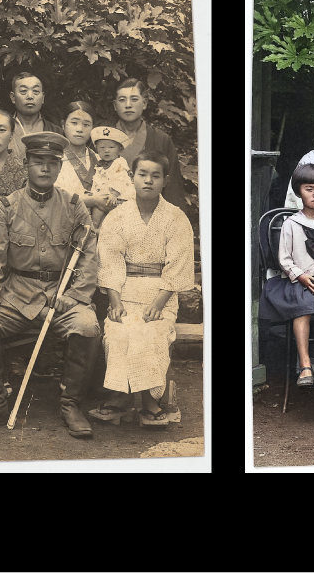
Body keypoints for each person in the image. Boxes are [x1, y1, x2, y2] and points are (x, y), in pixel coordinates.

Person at [0, 131, 100, 436]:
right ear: (26, 164)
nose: (44, 168)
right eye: (38, 162)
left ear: (59, 168)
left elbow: (88, 256)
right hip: (17, 293)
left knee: (87, 326)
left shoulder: (73, 205)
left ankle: (71, 404)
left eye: (51, 163)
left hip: (61, 293)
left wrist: (76, 295)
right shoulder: (7, 206)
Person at [93, 150, 197, 426]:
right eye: (142, 174)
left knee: (150, 331)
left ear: (165, 180)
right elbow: (110, 262)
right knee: (118, 330)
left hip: (160, 294)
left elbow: (178, 266)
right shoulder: (117, 217)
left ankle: (150, 400)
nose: (148, 181)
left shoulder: (176, 218)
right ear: (132, 177)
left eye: (155, 176)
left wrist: (159, 303)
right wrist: (115, 302)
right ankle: (120, 397)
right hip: (124, 291)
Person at [258, 164, 314, 393]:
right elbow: (284, 259)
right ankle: (305, 365)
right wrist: (302, 276)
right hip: (299, 281)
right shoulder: (291, 224)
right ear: (299, 192)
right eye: (309, 189)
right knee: (302, 307)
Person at [103, 78, 187, 209]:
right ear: (115, 105)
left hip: (151, 214)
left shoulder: (161, 140)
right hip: (108, 212)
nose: (128, 105)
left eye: (134, 99)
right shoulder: (103, 139)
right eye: (122, 100)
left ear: (145, 103)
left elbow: (172, 190)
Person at [8, 71, 64, 162]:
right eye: (23, 91)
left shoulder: (56, 132)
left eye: (35, 91)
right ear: (13, 97)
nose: (30, 96)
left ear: (43, 98)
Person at [88, 125, 135, 229]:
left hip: (118, 197)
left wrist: (114, 194)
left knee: (115, 222)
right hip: (103, 196)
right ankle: (94, 229)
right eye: (102, 148)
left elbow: (120, 179)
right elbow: (97, 180)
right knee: (96, 216)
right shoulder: (99, 165)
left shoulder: (120, 163)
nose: (106, 150)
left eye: (111, 147)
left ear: (120, 150)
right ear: (96, 149)